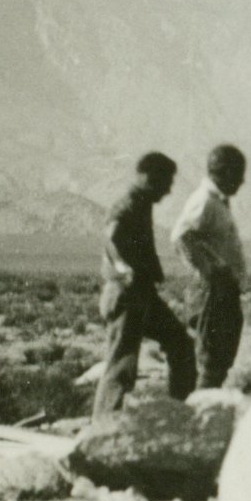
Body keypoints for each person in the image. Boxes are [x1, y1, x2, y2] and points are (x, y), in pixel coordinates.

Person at [93, 151, 197, 419]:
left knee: (180, 343)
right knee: (121, 365)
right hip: (126, 294)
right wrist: (123, 268)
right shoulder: (129, 203)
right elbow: (111, 236)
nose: (169, 190)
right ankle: (103, 426)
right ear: (150, 177)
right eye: (166, 182)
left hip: (142, 294)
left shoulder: (142, 203)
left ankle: (179, 413)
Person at [172, 143, 248, 388]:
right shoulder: (205, 201)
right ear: (226, 172)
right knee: (212, 361)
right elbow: (181, 236)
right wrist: (208, 271)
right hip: (212, 291)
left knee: (220, 359)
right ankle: (200, 406)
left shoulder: (216, 201)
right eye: (238, 174)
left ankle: (203, 402)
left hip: (222, 290)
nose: (242, 181)